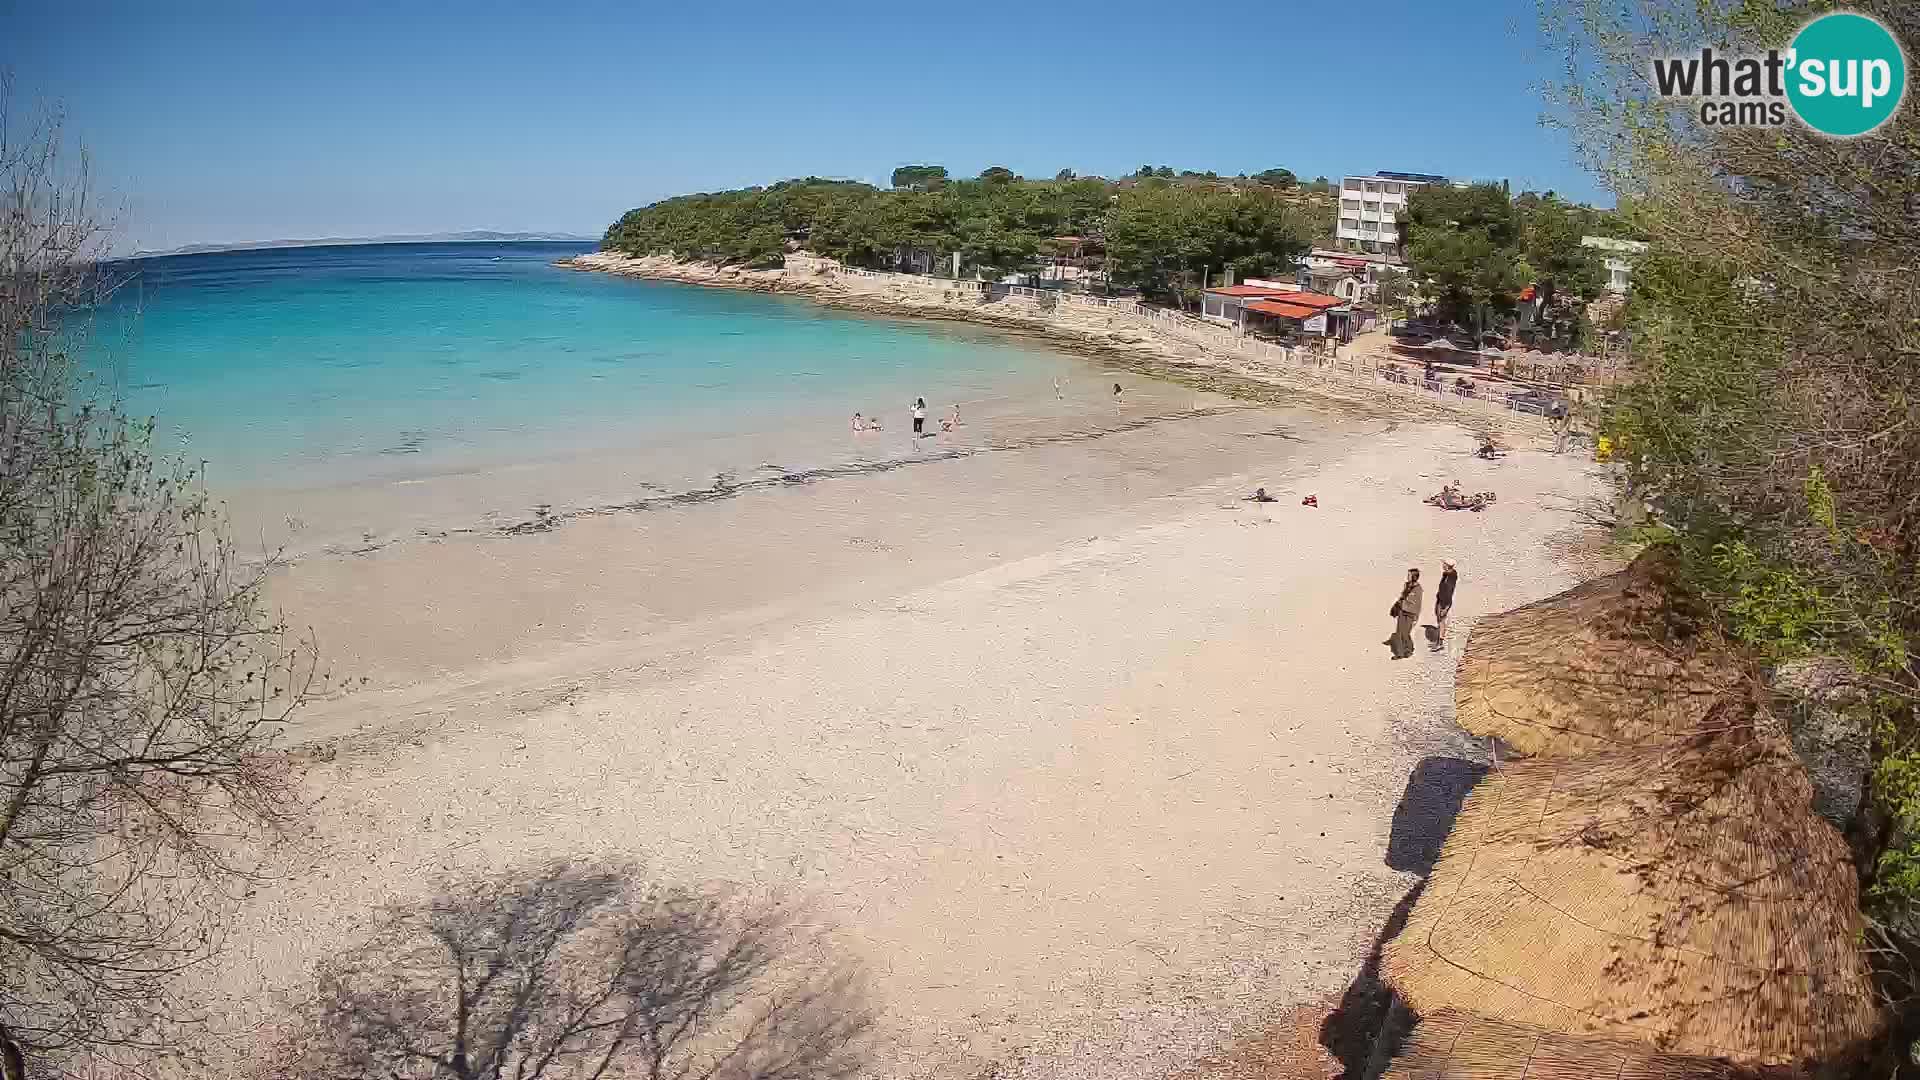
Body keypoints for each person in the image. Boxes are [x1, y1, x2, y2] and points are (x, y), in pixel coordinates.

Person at [1387, 568, 1422, 659]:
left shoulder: (1418, 589)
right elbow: (1402, 597)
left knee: (1405, 633)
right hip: (1402, 611)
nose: (1408, 577)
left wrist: (1416, 617)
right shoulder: (1406, 585)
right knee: (1399, 632)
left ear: (1414, 577)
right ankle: (1399, 653)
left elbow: (1418, 604)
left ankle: (1409, 649)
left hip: (1411, 613)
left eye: (1409, 575)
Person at [1434, 560, 1459, 638]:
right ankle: (1439, 639)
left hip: (1445, 602)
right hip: (1440, 599)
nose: (1443, 565)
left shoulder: (1451, 577)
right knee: (1440, 619)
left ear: (1448, 566)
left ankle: (1440, 641)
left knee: (1441, 620)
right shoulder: (1446, 575)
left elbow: (1449, 592)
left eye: (1444, 564)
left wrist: (1446, 607)